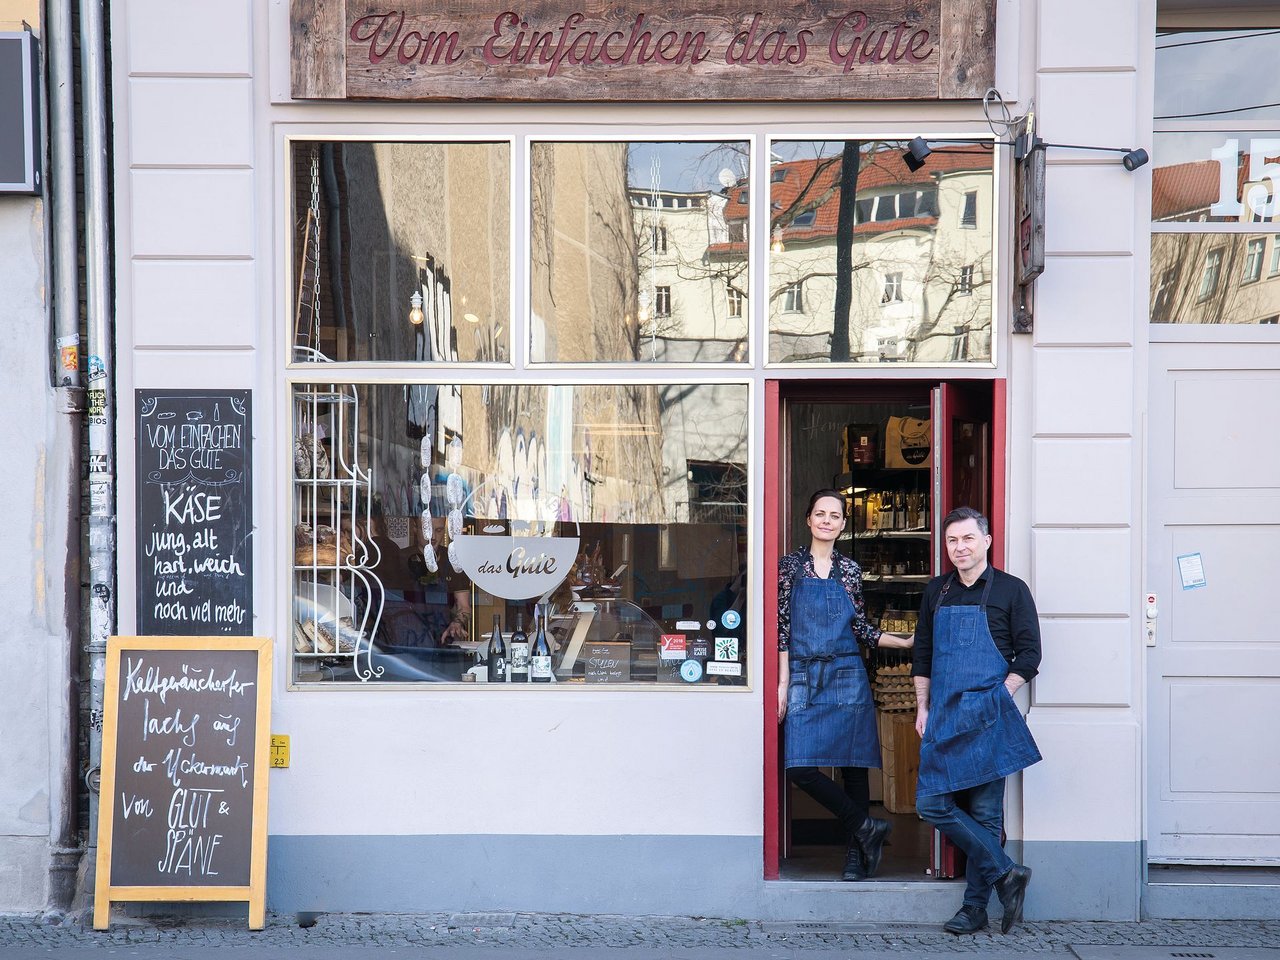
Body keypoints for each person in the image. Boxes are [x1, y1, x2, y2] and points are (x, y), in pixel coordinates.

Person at [912, 506, 1042, 935]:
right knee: (931, 804)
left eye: (968, 538)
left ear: (986, 540)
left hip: (988, 717)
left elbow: (1029, 655)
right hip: (945, 715)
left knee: (986, 815)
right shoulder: (937, 591)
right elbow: (923, 654)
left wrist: (1000, 696)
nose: (960, 547)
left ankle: (973, 909)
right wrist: (922, 707)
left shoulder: (1011, 590)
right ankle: (1008, 872)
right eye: (952, 540)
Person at [777, 489, 913, 881]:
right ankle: (866, 825)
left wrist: (902, 642)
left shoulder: (850, 570)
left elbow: (859, 628)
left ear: (842, 523)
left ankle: (857, 854)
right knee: (799, 767)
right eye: (819, 513)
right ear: (808, 519)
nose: (826, 521)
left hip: (847, 672)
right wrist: (783, 683)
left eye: (834, 515)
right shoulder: (789, 567)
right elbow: (781, 626)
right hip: (803, 672)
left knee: (853, 766)